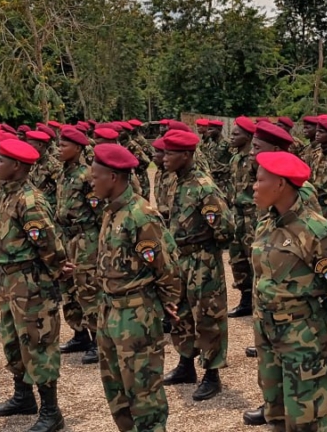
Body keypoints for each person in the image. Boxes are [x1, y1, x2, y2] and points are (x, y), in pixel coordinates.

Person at [251, 150, 327, 432]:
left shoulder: (316, 231)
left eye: (259, 180)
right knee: (275, 415)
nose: (253, 186)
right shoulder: (267, 223)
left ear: (280, 185)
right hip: (268, 333)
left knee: (305, 422)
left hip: (302, 339)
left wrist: (323, 316)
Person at [89, 143, 182, 432]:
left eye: (95, 176)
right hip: (109, 312)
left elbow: (167, 267)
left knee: (145, 397)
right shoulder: (112, 211)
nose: (91, 181)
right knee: (117, 393)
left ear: (113, 177)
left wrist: (166, 306)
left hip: (136, 316)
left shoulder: (140, 215)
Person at [0, 138, 67, 432]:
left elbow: (46, 241)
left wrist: (57, 268)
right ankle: (23, 397)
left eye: (1, 161)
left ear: (17, 166)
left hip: (31, 283)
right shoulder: (10, 194)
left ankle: (51, 412)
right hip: (11, 282)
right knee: (13, 341)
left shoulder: (29, 200)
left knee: (38, 343)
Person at [161, 129, 234, 401]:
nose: (164, 157)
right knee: (180, 312)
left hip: (202, 258)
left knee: (208, 316)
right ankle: (185, 364)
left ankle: (212, 374)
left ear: (187, 155)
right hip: (180, 257)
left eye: (170, 152)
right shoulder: (175, 182)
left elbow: (226, 228)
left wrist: (206, 247)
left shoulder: (204, 186)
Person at [52, 126, 101, 363]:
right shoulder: (64, 173)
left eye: (64, 146)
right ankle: (79, 333)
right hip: (66, 236)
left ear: (78, 148)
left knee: (87, 287)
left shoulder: (87, 176)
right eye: (59, 145)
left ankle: (97, 340)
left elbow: (100, 212)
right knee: (68, 288)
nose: (58, 150)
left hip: (85, 238)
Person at [227, 117, 258, 319]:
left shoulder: (256, 160)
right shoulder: (235, 159)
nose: (232, 137)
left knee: (254, 258)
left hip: (252, 214)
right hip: (237, 214)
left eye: (236, 134)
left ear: (247, 137)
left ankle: (258, 303)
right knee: (237, 260)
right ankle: (245, 300)